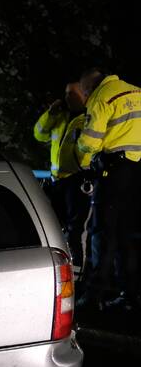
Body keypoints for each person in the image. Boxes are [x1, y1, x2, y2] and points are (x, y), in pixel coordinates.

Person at [76, 68, 141, 309]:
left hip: (114, 171)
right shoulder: (135, 91)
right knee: (126, 235)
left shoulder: (102, 97)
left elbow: (91, 140)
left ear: (89, 89)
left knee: (101, 233)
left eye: (83, 95)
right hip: (136, 172)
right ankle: (129, 294)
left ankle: (93, 295)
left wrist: (82, 156)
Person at [33, 83, 88, 266]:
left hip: (76, 179)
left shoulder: (88, 118)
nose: (67, 97)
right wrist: (50, 113)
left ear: (84, 95)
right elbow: (39, 135)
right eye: (66, 93)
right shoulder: (60, 117)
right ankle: (57, 264)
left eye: (72, 93)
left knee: (74, 229)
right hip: (57, 179)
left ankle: (77, 266)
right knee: (53, 226)